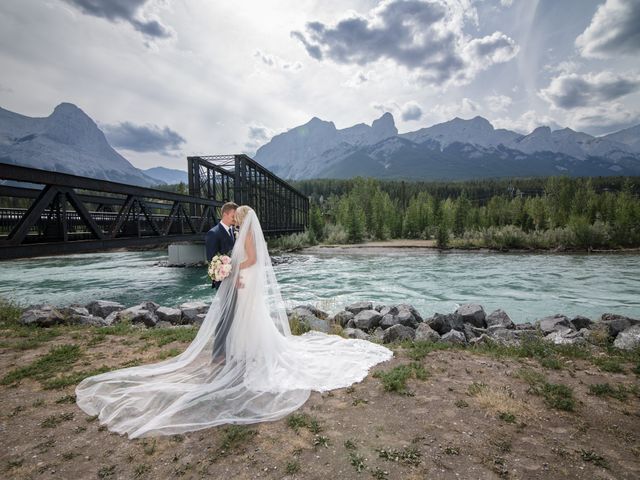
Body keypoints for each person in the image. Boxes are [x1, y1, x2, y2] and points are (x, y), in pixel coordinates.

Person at [75, 206, 393, 439]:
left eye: (238, 217)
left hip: (246, 277)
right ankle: (242, 351)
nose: (237, 221)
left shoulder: (247, 233)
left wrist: (236, 265)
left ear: (243, 218)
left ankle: (246, 352)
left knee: (249, 315)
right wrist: (230, 266)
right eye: (236, 218)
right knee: (247, 318)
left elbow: (252, 257)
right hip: (242, 277)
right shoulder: (240, 231)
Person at [204, 202, 238, 363]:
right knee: (225, 317)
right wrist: (225, 271)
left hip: (236, 281)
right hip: (223, 282)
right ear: (225, 214)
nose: (235, 219)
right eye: (233, 216)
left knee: (232, 317)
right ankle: (217, 354)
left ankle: (228, 349)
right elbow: (212, 262)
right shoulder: (213, 233)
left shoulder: (234, 232)